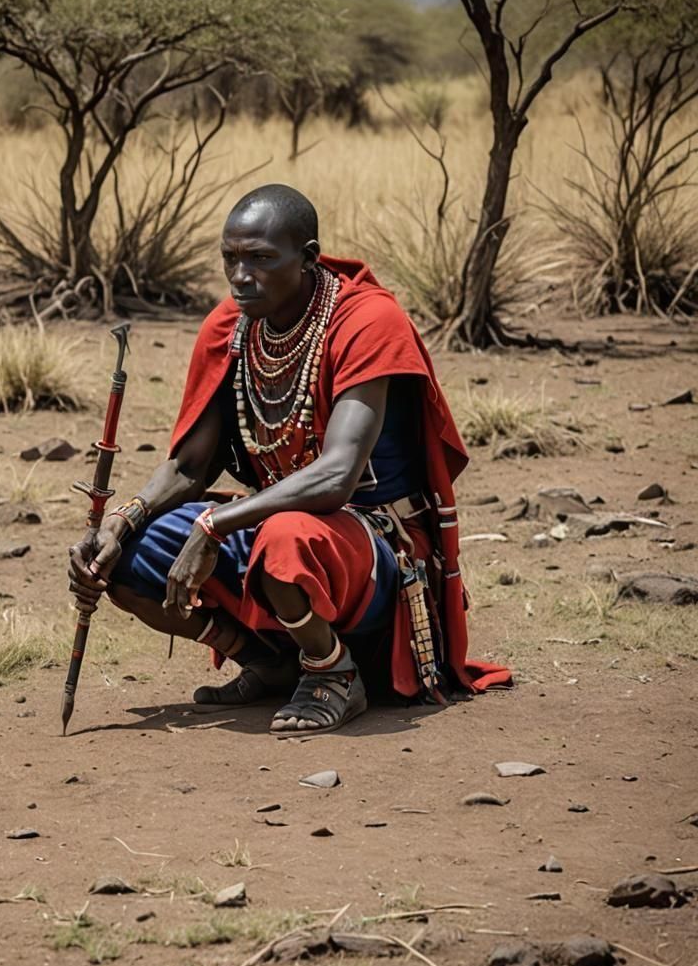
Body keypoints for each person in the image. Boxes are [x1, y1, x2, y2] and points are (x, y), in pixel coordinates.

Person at [68, 184, 511, 737]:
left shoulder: (367, 321)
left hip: (376, 544)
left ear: (307, 257)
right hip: (278, 523)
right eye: (230, 258)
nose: (240, 275)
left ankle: (333, 674)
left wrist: (217, 523)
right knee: (130, 556)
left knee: (284, 542)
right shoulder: (230, 329)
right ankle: (270, 662)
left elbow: (338, 473)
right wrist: (119, 522)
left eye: (260, 258)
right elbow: (188, 468)